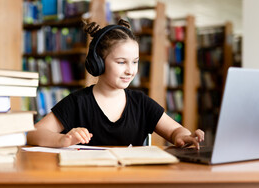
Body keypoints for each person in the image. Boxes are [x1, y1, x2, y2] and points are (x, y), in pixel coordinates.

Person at [27, 19, 204, 149]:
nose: (130, 70)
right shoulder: (78, 102)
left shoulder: (140, 102)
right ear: (98, 62)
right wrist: (62, 139)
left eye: (135, 62)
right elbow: (33, 133)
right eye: (121, 62)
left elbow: (174, 131)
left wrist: (184, 136)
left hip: (131, 184)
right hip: (89, 184)